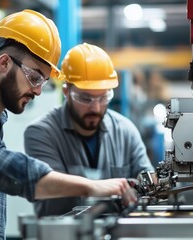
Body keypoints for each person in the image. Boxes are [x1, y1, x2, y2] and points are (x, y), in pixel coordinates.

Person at [0, 10, 136, 239]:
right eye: (35, 77)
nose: (38, 90)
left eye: (43, 81)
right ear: (5, 62)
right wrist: (90, 186)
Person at [24, 43, 155, 217]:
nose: (95, 107)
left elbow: (148, 179)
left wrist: (150, 182)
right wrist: (107, 187)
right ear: (66, 91)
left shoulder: (125, 131)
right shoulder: (41, 133)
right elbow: (50, 186)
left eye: (103, 97)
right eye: (85, 98)